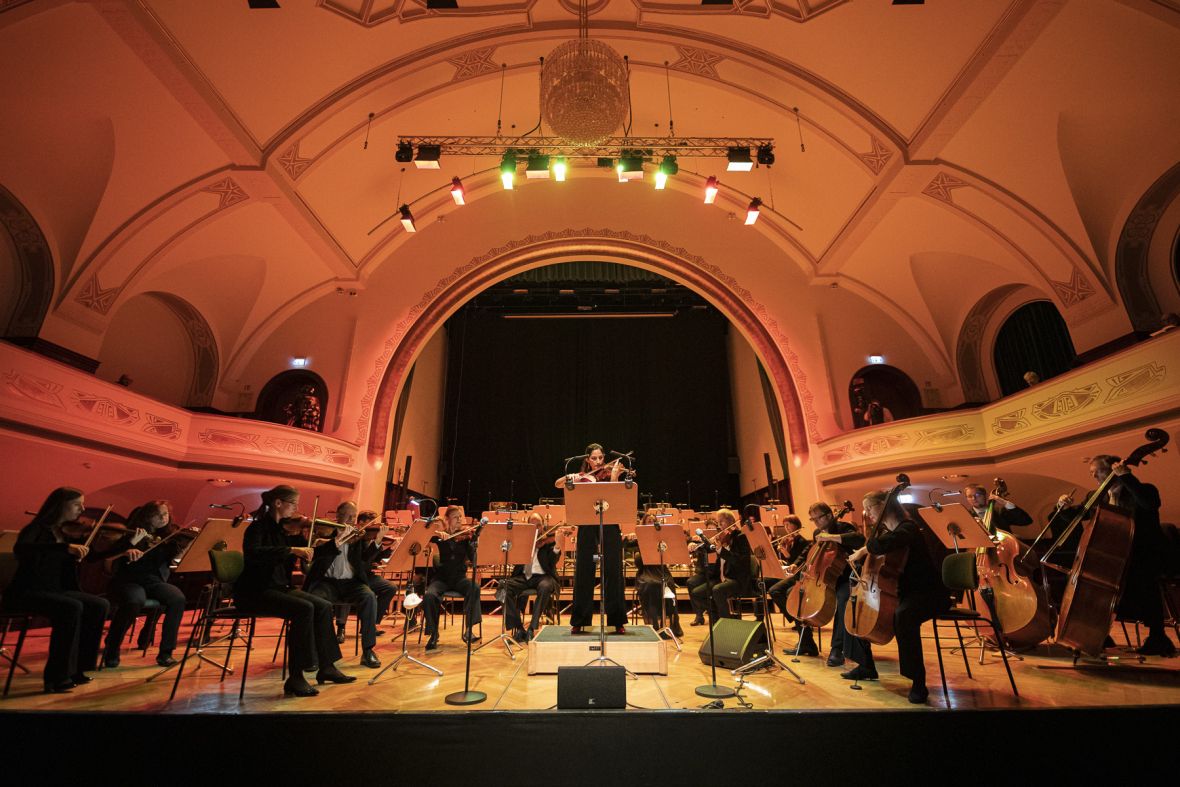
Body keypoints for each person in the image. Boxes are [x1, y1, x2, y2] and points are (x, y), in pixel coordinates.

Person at [235, 485, 357, 696]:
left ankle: (326, 666)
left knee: (323, 606)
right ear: (278, 503)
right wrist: (290, 549)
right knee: (304, 608)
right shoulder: (257, 528)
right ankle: (296, 676)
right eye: (294, 504)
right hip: (255, 591)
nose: (296, 509)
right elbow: (254, 554)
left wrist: (336, 541)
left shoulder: (286, 531)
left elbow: (311, 553)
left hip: (279, 588)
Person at [1057, 455, 1175, 657]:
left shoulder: (1143, 489)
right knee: (1088, 583)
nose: (1095, 476)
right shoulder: (1096, 496)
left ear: (1113, 469)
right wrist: (1063, 508)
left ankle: (1158, 637)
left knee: (1143, 579)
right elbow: (1078, 516)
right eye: (1091, 473)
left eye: (1098, 472)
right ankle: (1098, 633)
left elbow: (1149, 504)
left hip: (1144, 552)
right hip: (1114, 554)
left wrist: (1128, 478)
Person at [842, 489, 951, 704]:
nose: (867, 514)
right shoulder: (888, 532)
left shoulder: (908, 528)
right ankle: (866, 665)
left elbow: (882, 545)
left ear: (884, 505)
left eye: (869, 508)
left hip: (927, 593)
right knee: (859, 608)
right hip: (901, 592)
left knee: (904, 616)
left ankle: (918, 682)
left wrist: (865, 550)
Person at [2, 487, 110, 693]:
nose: (83, 509)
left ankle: (79, 668)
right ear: (60, 505)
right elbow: (22, 549)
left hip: (56, 590)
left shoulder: (63, 532)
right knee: (72, 607)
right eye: (77, 504)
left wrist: (127, 544)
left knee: (99, 604)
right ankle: (56, 677)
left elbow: (93, 557)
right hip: (26, 592)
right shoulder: (36, 528)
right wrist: (64, 549)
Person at [99, 500, 195, 668]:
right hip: (128, 581)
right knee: (134, 601)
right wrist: (127, 549)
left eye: (166, 514)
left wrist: (188, 544)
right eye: (159, 515)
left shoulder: (168, 536)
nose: (164, 518)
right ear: (147, 516)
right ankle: (112, 647)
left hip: (153, 582)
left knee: (177, 598)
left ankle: (166, 653)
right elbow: (109, 558)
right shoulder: (131, 534)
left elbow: (175, 558)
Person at [555, 443, 628, 635]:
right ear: (588, 460)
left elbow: (616, 498)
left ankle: (617, 620)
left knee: (613, 569)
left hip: (609, 522)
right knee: (584, 570)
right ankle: (580, 620)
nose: (598, 462)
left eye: (600, 458)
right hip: (587, 522)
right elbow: (558, 483)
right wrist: (576, 477)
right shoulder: (582, 478)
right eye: (594, 458)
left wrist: (613, 477)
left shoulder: (608, 474)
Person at [302, 501, 382, 669]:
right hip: (327, 583)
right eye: (349, 516)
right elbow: (312, 557)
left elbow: (365, 558)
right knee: (317, 602)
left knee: (369, 596)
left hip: (351, 583)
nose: (353, 520)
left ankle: (368, 651)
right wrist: (336, 539)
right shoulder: (325, 533)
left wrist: (378, 541)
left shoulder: (357, 536)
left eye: (354, 516)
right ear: (338, 516)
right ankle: (317, 653)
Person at [808, 502, 864, 667]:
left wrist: (831, 537)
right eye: (813, 519)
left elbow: (859, 539)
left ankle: (837, 649)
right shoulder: (817, 533)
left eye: (818, 518)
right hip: (825, 576)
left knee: (843, 598)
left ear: (829, 515)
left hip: (846, 576)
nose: (816, 522)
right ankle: (805, 641)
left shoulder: (844, 527)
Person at [422, 505, 482, 651]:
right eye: (456, 517)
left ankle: (469, 629)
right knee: (429, 595)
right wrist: (437, 535)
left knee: (474, 588)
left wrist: (473, 543)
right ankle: (433, 634)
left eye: (460, 517)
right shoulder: (439, 537)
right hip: (441, 579)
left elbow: (473, 559)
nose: (459, 519)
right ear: (447, 520)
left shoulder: (465, 537)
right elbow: (424, 537)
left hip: (459, 579)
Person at [500, 513, 564, 643]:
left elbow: (552, 561)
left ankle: (531, 628)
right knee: (503, 587)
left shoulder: (547, 542)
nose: (536, 528)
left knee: (545, 587)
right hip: (523, 577)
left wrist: (557, 546)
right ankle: (519, 628)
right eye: (532, 525)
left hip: (543, 577)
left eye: (539, 525)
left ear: (543, 526)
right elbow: (511, 557)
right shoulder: (521, 541)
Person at [689, 508, 751, 620]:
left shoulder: (740, 537)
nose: (719, 525)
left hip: (736, 579)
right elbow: (708, 549)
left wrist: (722, 551)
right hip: (721, 578)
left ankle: (726, 621)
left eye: (721, 522)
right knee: (696, 593)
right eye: (718, 522)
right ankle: (718, 616)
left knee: (717, 591)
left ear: (730, 522)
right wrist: (695, 545)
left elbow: (741, 561)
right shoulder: (723, 537)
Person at [766, 515, 815, 655]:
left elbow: (801, 556)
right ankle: (795, 618)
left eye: (789, 525)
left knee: (781, 591)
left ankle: (797, 619)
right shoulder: (789, 540)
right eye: (785, 525)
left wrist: (787, 555)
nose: (786, 528)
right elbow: (798, 558)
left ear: (796, 525)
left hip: (801, 575)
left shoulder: (802, 541)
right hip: (792, 573)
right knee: (769, 586)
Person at [630, 513, 683, 639]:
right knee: (650, 585)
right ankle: (654, 625)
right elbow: (632, 555)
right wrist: (632, 537)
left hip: (661, 571)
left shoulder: (662, 537)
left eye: (653, 521)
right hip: (646, 572)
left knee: (667, 584)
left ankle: (668, 625)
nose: (652, 522)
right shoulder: (639, 537)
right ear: (644, 523)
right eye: (649, 520)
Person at [686, 518, 721, 626]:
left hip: (716, 574)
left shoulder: (720, 541)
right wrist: (691, 543)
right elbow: (689, 541)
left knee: (701, 590)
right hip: (704, 573)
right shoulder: (701, 541)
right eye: (708, 529)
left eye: (712, 529)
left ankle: (713, 612)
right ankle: (699, 615)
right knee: (690, 582)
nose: (710, 531)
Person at [962, 484, 1033, 535]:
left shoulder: (1000, 512)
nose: (974, 498)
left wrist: (1005, 503)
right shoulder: (966, 515)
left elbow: (1026, 521)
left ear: (985, 495)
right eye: (970, 496)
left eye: (977, 495)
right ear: (967, 499)